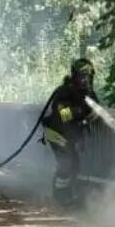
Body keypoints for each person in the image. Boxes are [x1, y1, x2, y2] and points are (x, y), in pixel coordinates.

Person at [41, 58, 98, 207]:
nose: (85, 80)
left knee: (74, 165)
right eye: (82, 76)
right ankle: (60, 197)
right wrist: (79, 110)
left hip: (70, 135)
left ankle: (67, 194)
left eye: (88, 76)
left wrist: (93, 115)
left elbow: (95, 109)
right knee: (66, 164)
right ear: (75, 76)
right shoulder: (64, 91)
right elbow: (61, 114)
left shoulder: (89, 93)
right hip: (55, 133)